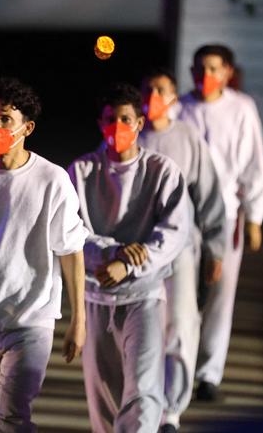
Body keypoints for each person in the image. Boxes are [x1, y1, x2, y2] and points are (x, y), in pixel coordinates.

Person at [0, 77, 87, 432]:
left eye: (4, 119)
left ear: (27, 127)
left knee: (14, 415)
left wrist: (78, 320)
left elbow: (71, 250)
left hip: (32, 319)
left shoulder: (52, 180)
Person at [68, 82, 190, 433]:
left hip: (144, 296)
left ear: (140, 124)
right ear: (100, 123)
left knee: (143, 392)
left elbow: (174, 231)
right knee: (103, 396)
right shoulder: (82, 171)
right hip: (96, 295)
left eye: (125, 119)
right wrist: (113, 253)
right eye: (110, 119)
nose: (117, 127)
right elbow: (70, 231)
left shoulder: (162, 172)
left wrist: (134, 262)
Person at [179, 44, 263, 401]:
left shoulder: (241, 109)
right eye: (200, 68)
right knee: (184, 293)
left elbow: (253, 165)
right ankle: (180, 367)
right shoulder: (180, 108)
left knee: (220, 294)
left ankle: (208, 374)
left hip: (227, 215)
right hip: (184, 215)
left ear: (228, 71)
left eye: (214, 68)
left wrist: (255, 218)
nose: (206, 75)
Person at [139, 69, 226, 432]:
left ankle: (170, 411)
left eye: (162, 90)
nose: (155, 95)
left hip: (180, 249)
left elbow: (209, 194)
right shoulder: (132, 137)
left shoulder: (187, 137)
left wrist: (215, 247)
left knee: (179, 325)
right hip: (138, 252)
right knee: (143, 331)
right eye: (149, 89)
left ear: (174, 97)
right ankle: (142, 404)